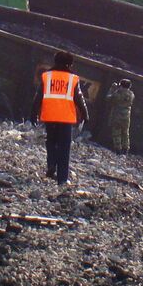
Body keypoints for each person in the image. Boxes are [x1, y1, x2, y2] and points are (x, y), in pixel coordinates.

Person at [30, 51, 89, 185]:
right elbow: (79, 98)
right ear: (70, 64)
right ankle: (62, 178)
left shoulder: (46, 76)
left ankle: (51, 164)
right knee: (64, 146)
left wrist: (33, 114)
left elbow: (38, 97)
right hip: (66, 117)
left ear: (55, 61)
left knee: (51, 141)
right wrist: (85, 114)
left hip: (50, 115)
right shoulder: (73, 79)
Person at [105, 79, 134, 153]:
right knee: (125, 132)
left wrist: (112, 89)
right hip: (127, 115)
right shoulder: (131, 94)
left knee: (116, 132)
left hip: (117, 115)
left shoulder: (118, 93)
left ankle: (118, 149)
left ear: (121, 85)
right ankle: (126, 148)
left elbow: (108, 98)